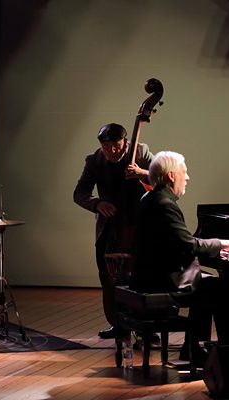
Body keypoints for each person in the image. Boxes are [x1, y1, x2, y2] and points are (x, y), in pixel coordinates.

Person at [128, 150, 229, 363]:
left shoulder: (150, 197)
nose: (188, 177)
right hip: (161, 281)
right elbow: (187, 244)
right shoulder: (164, 204)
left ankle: (193, 348)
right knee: (218, 287)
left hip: (150, 275)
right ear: (171, 176)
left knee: (208, 283)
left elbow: (177, 242)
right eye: (185, 172)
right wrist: (219, 243)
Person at [74, 123, 154, 339]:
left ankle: (145, 325)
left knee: (143, 276)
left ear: (125, 142)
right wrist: (97, 203)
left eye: (116, 146)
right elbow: (80, 193)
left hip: (139, 226)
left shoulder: (141, 152)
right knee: (108, 277)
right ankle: (118, 323)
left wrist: (141, 173)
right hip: (110, 228)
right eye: (106, 147)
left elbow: (163, 177)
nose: (111, 151)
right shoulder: (95, 160)